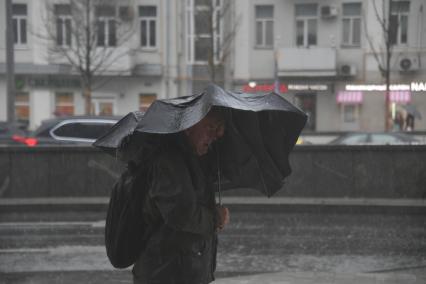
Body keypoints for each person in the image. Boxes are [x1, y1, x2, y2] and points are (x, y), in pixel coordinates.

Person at [132, 108, 230, 284]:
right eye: (211, 127)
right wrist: (215, 218)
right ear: (188, 127)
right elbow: (182, 214)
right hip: (168, 273)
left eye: (220, 128)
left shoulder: (190, 159)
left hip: (181, 270)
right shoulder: (170, 161)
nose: (218, 135)